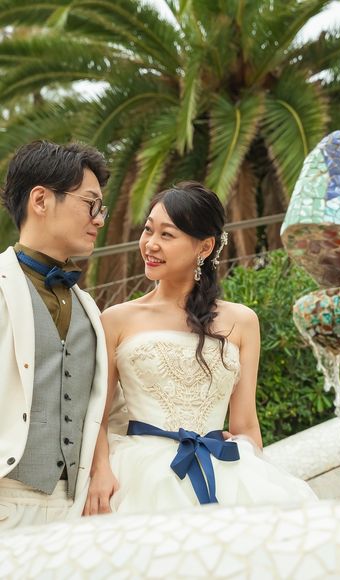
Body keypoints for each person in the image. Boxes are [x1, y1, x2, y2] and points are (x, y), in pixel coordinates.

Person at [84, 181, 316, 514]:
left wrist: (256, 475)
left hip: (224, 471)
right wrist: (100, 471)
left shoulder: (243, 322)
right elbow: (98, 415)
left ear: (205, 247)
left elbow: (245, 425)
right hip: (137, 477)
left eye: (167, 235)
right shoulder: (116, 319)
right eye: (148, 230)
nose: (150, 244)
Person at [0, 140, 110, 529]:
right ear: (41, 200)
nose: (99, 220)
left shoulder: (89, 308)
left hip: (74, 510)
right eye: (91, 204)